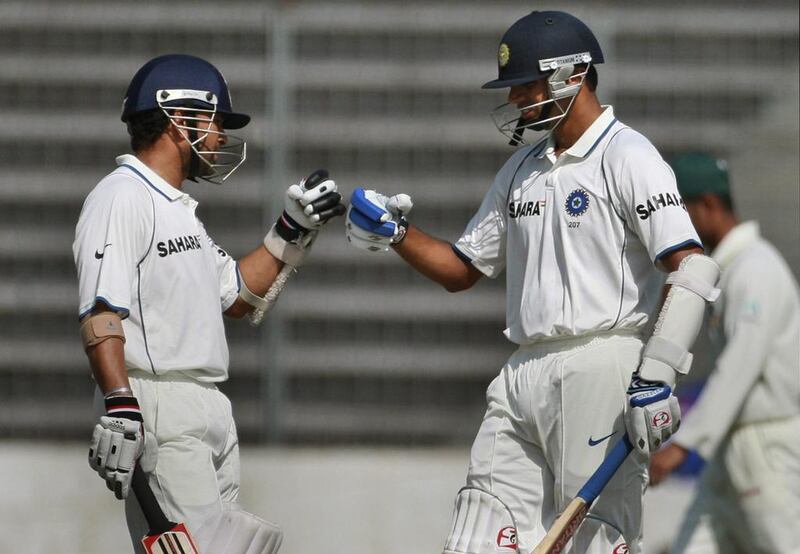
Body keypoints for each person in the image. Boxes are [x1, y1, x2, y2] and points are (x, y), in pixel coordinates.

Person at [344, 11, 720, 554]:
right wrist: (397, 234)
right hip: (523, 368)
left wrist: (658, 375)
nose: (517, 100)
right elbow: (462, 269)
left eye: (525, 86)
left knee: (597, 539)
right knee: (480, 527)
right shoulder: (523, 168)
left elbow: (692, 266)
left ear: (570, 74)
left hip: (601, 364)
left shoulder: (628, 155)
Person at [73, 54, 345, 553]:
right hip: (158, 405)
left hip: (207, 406)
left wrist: (293, 228)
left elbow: (237, 294)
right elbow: (101, 312)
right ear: (179, 119)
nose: (220, 137)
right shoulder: (121, 197)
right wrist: (119, 404)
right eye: (215, 121)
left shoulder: (179, 211)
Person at [649, 153, 800, 553]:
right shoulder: (729, 268)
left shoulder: (757, 269)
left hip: (766, 451)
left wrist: (684, 444)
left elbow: (740, 366)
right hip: (727, 454)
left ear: (708, 206)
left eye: (680, 212)